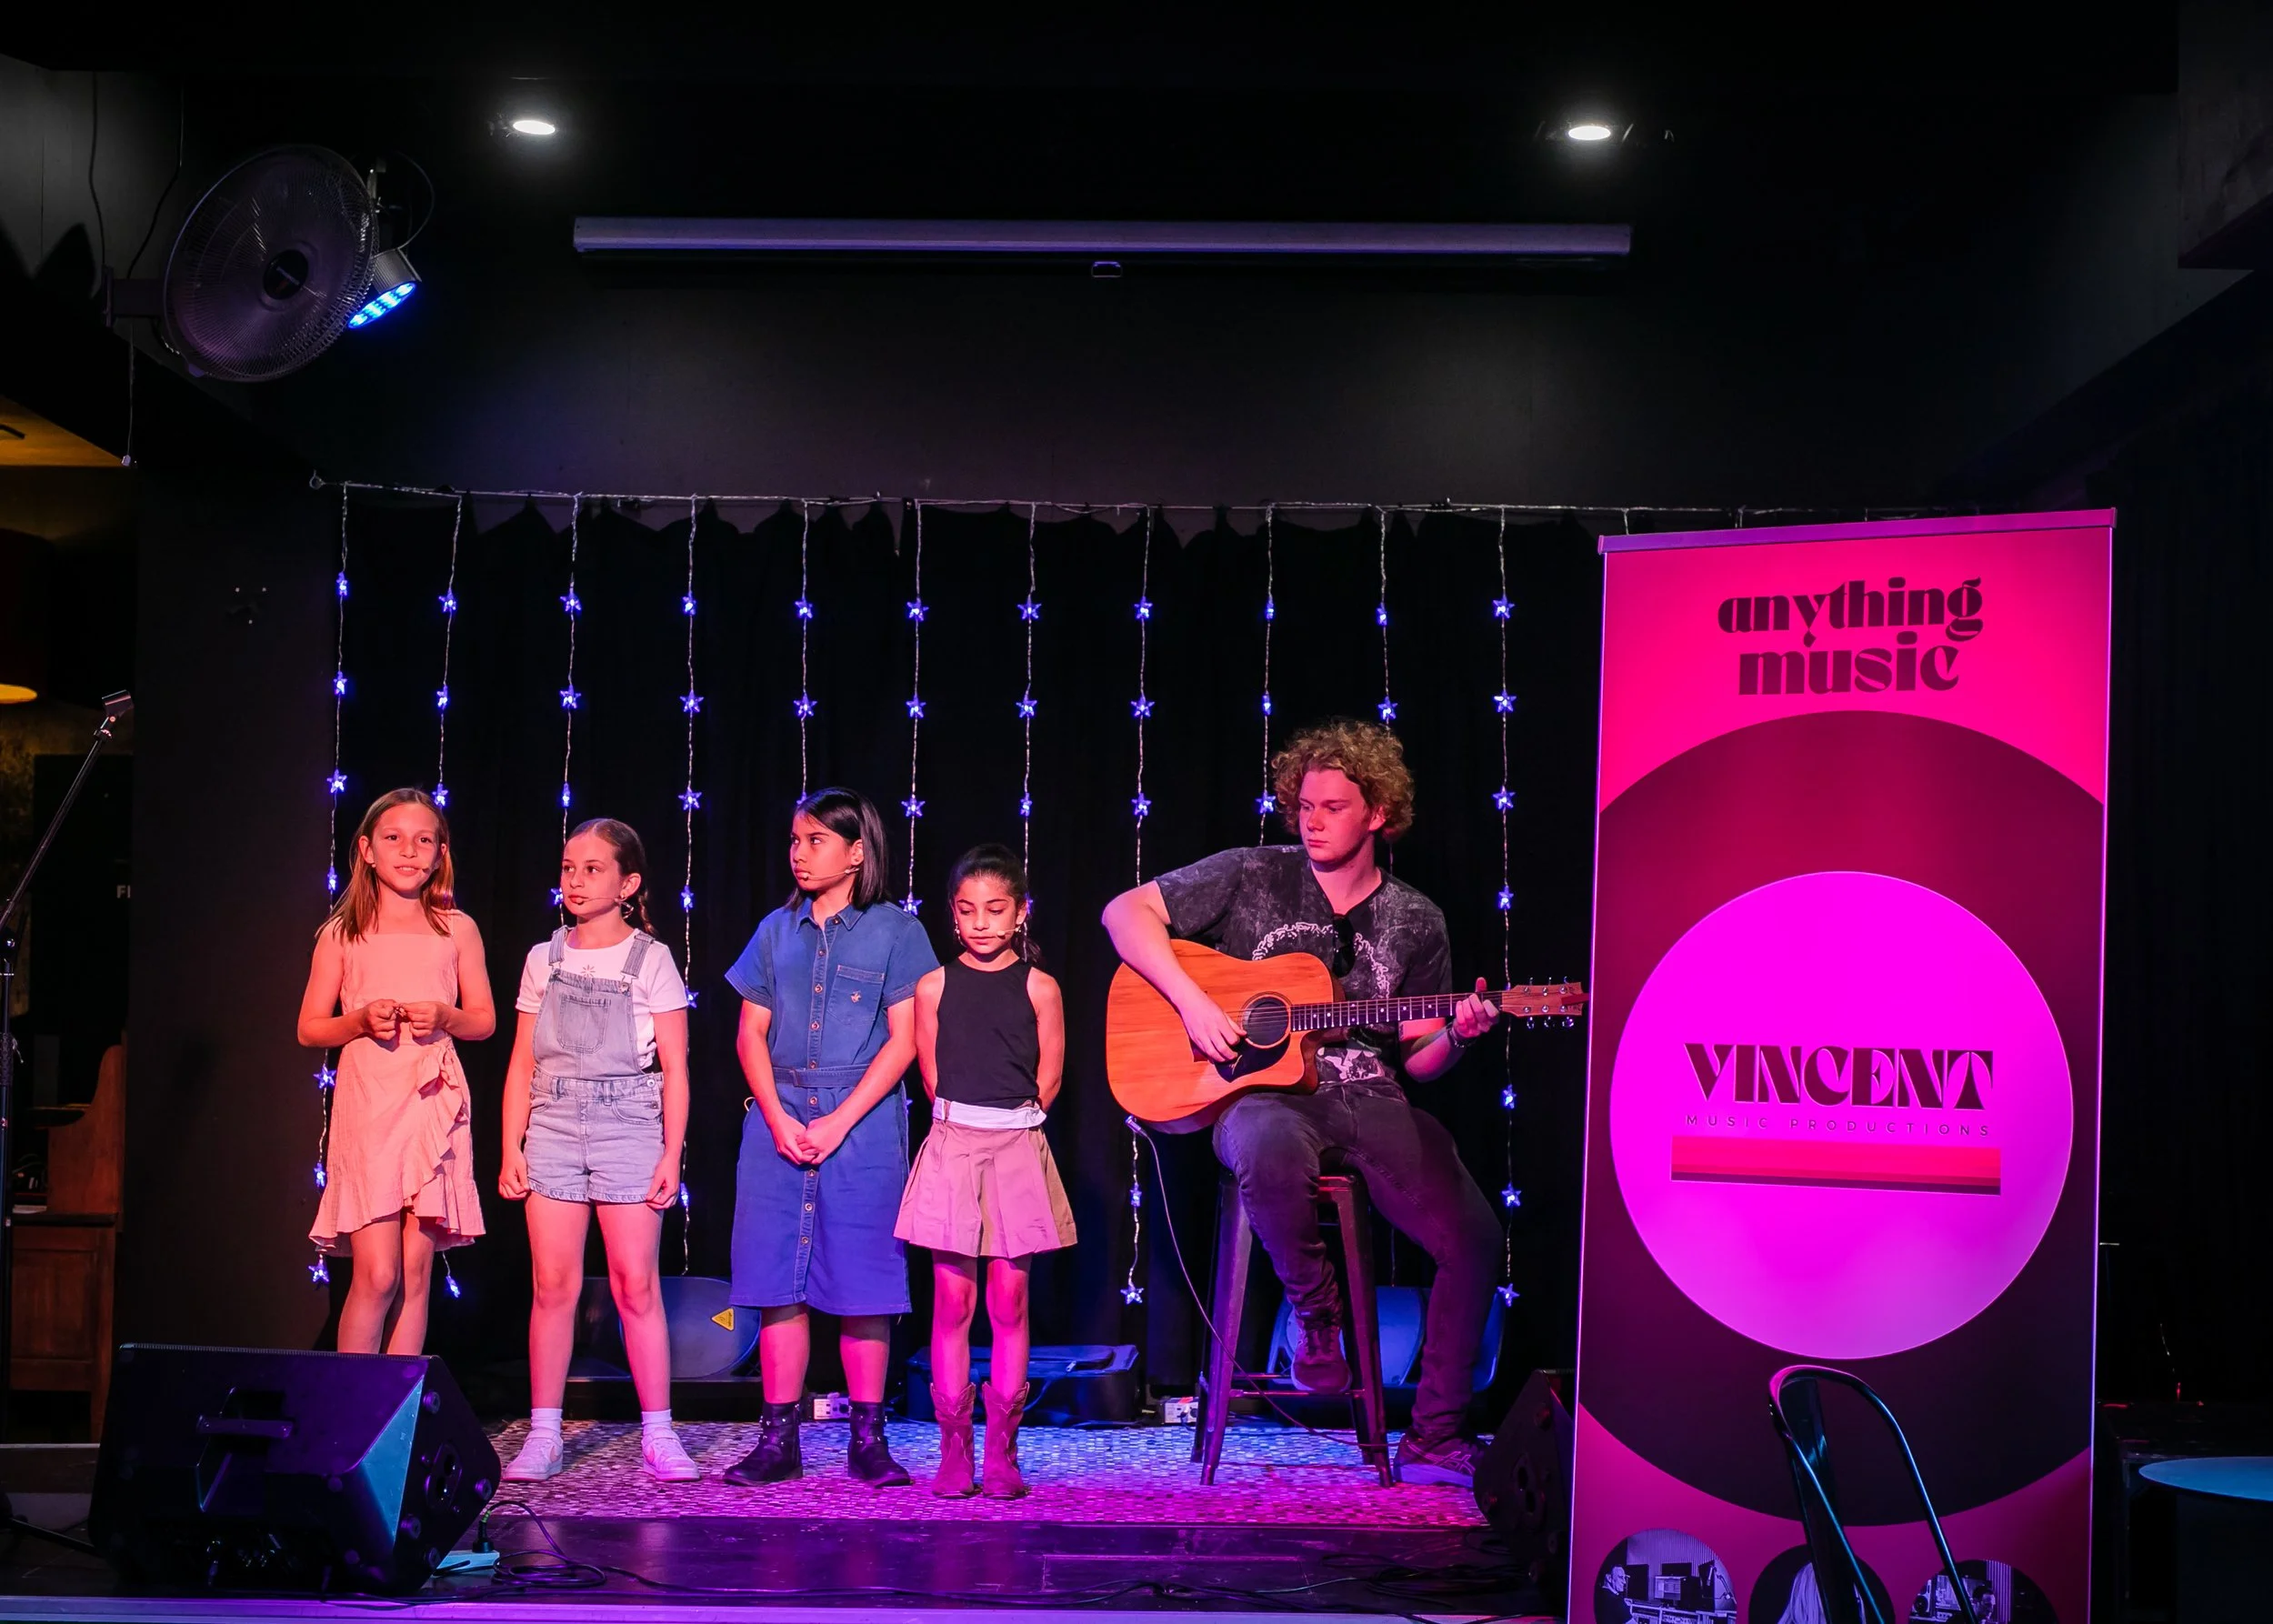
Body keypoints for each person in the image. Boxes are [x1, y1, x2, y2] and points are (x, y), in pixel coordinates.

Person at [1102, 719, 1504, 1486]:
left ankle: (1435, 1435)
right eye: (1304, 805)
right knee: (1261, 1139)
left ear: (1378, 814)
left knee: (1476, 1236)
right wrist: (1191, 1002)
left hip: (1370, 1098)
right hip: (1266, 1102)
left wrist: (1461, 1031)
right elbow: (1124, 913)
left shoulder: (1416, 918)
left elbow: (1421, 1059)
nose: (1312, 820)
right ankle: (1318, 1319)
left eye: (1333, 807)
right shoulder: (1253, 873)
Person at [722, 787, 939, 1487]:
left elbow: (906, 1040)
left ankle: (867, 1441)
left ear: (856, 853)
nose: (799, 852)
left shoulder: (897, 931)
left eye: (815, 840)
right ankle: (777, 1440)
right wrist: (780, 1118)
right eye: (794, 840)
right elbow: (749, 1032)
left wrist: (841, 1120)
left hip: (864, 1123)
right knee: (776, 1280)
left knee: (863, 1280)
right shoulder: (774, 932)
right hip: (777, 1115)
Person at [497, 819, 697, 1484]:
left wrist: (671, 1154)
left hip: (628, 1122)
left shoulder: (652, 959)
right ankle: (545, 1432)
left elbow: (675, 1065)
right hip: (553, 1121)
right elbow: (522, 1060)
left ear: (628, 883)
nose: (575, 880)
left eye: (592, 869)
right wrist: (510, 1144)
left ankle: (659, 1433)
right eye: (568, 867)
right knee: (552, 1284)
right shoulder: (543, 956)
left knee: (634, 1283)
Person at [896, 844, 1076, 1499]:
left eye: (995, 910)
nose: (981, 923)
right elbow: (931, 1070)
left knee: (1009, 1299)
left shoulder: (1040, 987)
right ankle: (953, 1450)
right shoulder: (934, 986)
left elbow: (1049, 1074)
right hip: (954, 1142)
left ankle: (1002, 1453)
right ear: (952, 916)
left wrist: (1011, 1127)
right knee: (953, 1300)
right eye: (968, 911)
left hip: (1016, 1146)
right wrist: (964, 1125)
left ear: (1020, 913)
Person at [297, 788, 495, 1355]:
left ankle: (396, 1428)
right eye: (393, 838)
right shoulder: (341, 933)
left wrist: (447, 1015)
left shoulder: (457, 929)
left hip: (434, 1101)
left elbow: (483, 1021)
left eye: (423, 839)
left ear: (439, 854)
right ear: (366, 850)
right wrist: (358, 1020)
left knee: (414, 1275)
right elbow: (310, 1027)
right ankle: (353, 1417)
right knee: (377, 1274)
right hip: (371, 1103)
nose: (408, 851)